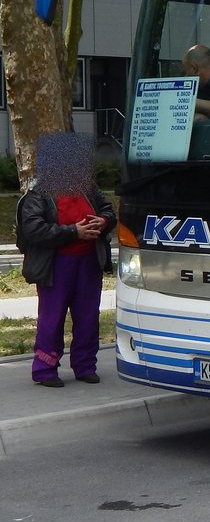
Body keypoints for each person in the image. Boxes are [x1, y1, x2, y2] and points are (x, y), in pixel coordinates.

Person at [15, 133, 116, 388]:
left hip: (88, 262)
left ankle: (85, 366)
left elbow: (108, 211)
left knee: (88, 316)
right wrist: (74, 232)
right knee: (52, 317)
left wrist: (102, 222)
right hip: (57, 264)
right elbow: (33, 229)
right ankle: (45, 369)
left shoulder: (87, 189)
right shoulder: (38, 194)